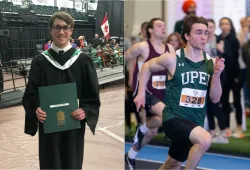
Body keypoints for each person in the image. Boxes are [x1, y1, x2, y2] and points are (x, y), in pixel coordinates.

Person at [134, 15, 225, 169]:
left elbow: (215, 99)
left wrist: (216, 76)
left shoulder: (210, 63)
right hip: (173, 118)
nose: (203, 37)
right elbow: (146, 66)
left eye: (205, 33)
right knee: (205, 140)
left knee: (172, 164)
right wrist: (141, 92)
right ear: (187, 36)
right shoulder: (172, 59)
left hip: (194, 122)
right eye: (198, 33)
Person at [22, 11, 100, 169]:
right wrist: (36, 108)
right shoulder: (40, 61)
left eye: (66, 28)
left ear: (71, 31)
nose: (61, 32)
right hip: (49, 124)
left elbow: (92, 97)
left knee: (72, 162)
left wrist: (85, 110)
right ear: (50, 30)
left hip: (73, 125)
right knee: (50, 162)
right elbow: (30, 94)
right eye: (57, 27)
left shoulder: (84, 60)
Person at [125, 18, 175, 169]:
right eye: (159, 26)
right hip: (144, 91)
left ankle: (131, 155)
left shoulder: (170, 49)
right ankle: (141, 129)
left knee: (153, 130)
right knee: (165, 114)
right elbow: (123, 57)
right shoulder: (142, 47)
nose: (163, 28)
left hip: (161, 92)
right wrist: (130, 76)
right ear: (151, 30)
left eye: (164, 26)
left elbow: (174, 71)